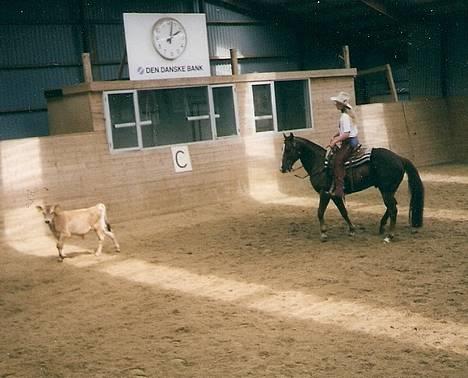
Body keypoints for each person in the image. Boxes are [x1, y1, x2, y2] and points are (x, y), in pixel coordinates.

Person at [327, 91, 359, 198]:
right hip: (351, 141)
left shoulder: (345, 116)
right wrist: (336, 135)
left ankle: (340, 189)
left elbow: (346, 134)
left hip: (349, 142)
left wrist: (334, 141)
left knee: (338, 161)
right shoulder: (346, 115)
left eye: (337, 102)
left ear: (342, 105)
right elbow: (344, 131)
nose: (335, 104)